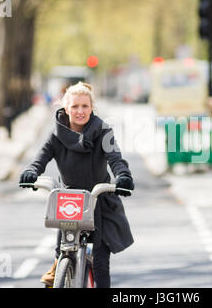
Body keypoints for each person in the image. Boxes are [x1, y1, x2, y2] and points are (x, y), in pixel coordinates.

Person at [19, 81, 134, 288]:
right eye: (74, 106)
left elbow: (116, 158)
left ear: (92, 108)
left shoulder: (104, 131)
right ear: (65, 108)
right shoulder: (55, 133)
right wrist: (31, 171)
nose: (80, 111)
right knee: (62, 250)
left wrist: (123, 175)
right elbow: (40, 158)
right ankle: (59, 267)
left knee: (100, 263)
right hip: (69, 201)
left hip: (98, 200)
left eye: (85, 106)